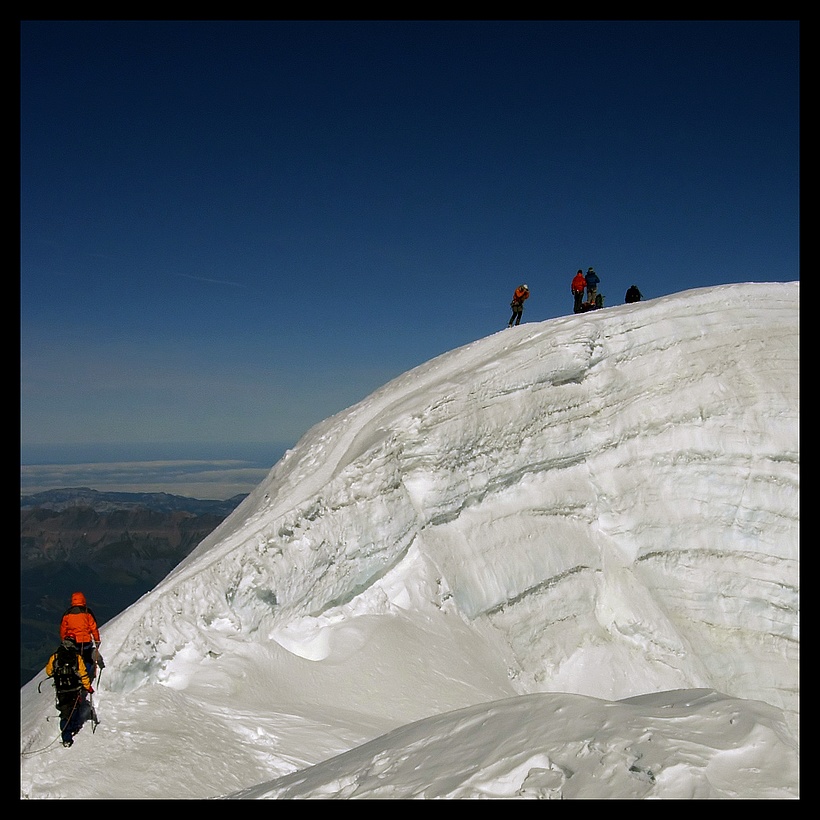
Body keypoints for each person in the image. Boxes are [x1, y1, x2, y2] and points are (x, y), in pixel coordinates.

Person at [45, 637, 95, 747]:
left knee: (65, 711)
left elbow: (48, 671)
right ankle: (74, 726)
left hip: (61, 689)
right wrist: (88, 687)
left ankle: (66, 737)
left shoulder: (56, 656)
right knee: (75, 708)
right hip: (74, 688)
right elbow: (83, 674)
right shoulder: (77, 657)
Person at [60, 591, 103, 683]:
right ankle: (86, 676)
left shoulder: (67, 614)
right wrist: (97, 640)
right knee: (87, 659)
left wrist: (64, 640)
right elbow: (93, 628)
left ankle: (75, 677)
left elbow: (63, 629)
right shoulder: (87, 612)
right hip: (85, 641)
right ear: (83, 600)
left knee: (74, 659)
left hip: (72, 643)